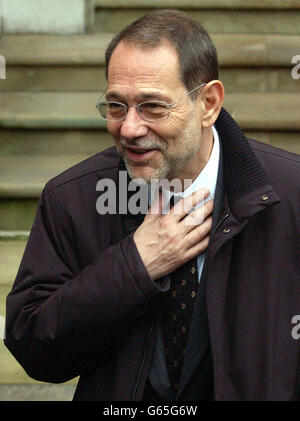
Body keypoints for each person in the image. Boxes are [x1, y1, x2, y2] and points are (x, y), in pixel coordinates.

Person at [4, 9, 300, 401]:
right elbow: (34, 347)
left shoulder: (291, 194)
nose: (128, 128)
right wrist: (133, 267)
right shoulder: (72, 198)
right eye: (115, 106)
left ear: (208, 103)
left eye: (152, 107)